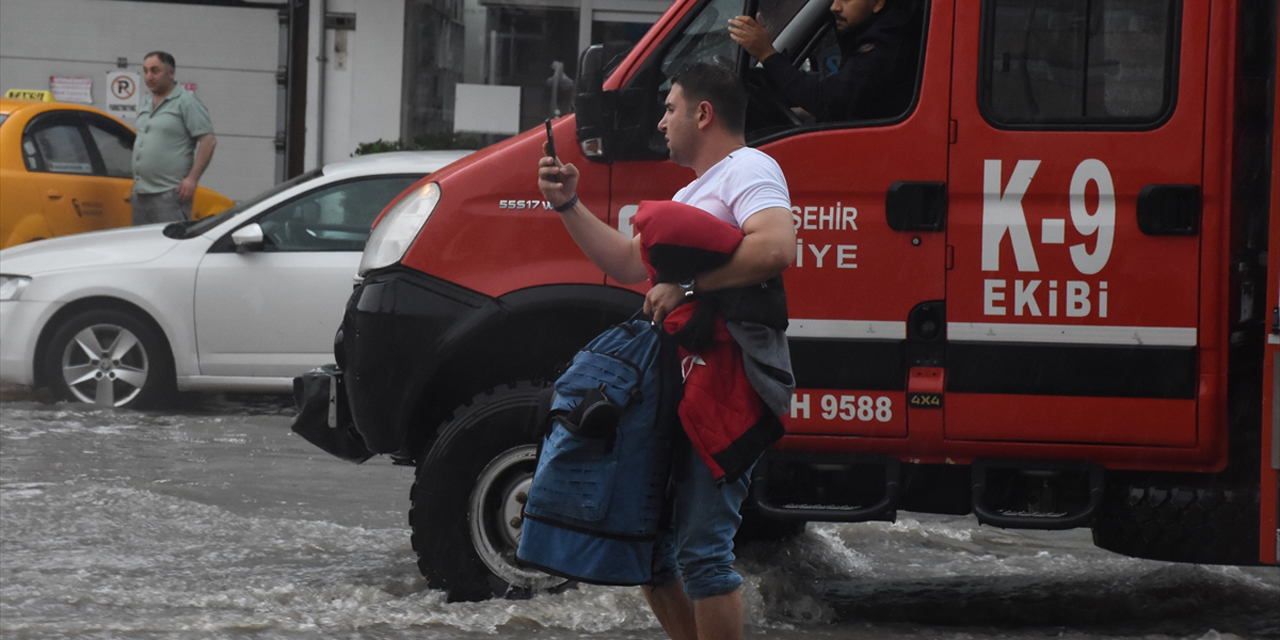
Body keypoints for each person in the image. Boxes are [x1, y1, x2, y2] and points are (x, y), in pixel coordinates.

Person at [537, 62, 796, 640]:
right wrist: (567, 205)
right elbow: (630, 263)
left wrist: (689, 287)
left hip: (728, 385)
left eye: (670, 108)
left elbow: (778, 247)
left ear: (704, 114)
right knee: (652, 558)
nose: (661, 121)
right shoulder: (690, 191)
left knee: (704, 552)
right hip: (676, 385)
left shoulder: (750, 168)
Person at [727, 0, 921, 122]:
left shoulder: (886, 45)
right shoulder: (882, 31)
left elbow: (829, 101)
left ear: (879, 3)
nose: (834, 6)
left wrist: (767, 54)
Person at [131, 51, 217, 225]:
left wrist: (192, 179)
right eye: (145, 71)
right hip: (141, 193)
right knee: (142, 249)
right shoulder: (145, 101)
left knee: (169, 246)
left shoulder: (186, 102)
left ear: (171, 73)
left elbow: (208, 140)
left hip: (169, 194)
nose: (149, 76)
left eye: (155, 71)